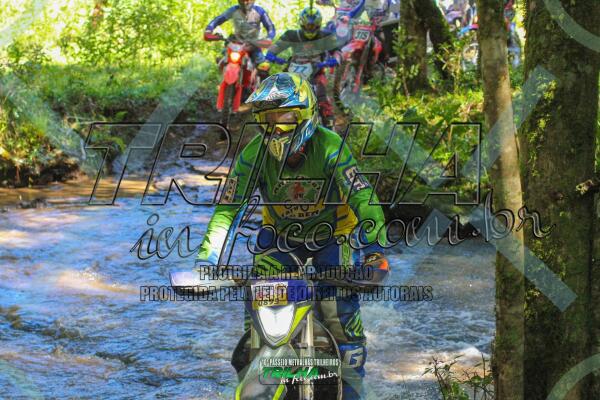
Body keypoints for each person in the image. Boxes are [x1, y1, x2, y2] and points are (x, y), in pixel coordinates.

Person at [190, 73, 390, 399]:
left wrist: (374, 252)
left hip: (333, 236)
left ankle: (354, 389)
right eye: (268, 118)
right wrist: (207, 261)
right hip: (280, 238)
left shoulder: (330, 147)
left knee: (338, 311)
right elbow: (228, 209)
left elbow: (363, 197)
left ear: (305, 114)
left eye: (284, 116)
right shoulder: (253, 154)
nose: (276, 126)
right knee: (260, 311)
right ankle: (256, 380)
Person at [266, 7, 339, 128]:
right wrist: (271, 55)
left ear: (319, 25)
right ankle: (271, 127)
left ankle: (330, 128)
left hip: (316, 72)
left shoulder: (326, 36)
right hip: (292, 72)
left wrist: (334, 59)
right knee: (276, 97)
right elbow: (276, 47)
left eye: (313, 26)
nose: (310, 29)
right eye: (308, 25)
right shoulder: (291, 35)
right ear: (302, 23)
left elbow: (338, 51)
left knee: (323, 100)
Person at [204, 0, 275, 78]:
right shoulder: (233, 10)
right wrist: (208, 30)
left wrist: (269, 38)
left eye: (248, 0)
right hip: (236, 43)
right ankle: (223, 76)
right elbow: (218, 19)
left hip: (254, 44)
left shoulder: (260, 11)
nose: (245, 3)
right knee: (222, 58)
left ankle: (263, 83)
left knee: (263, 67)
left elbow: (270, 27)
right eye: (242, 0)